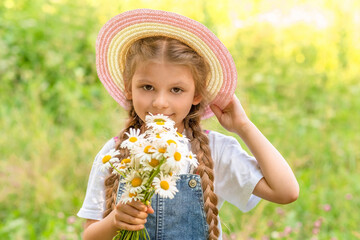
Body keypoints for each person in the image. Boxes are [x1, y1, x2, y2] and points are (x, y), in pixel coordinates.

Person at [77, 9, 299, 240]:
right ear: (128, 88)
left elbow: (286, 192)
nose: (160, 102)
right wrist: (114, 221)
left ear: (196, 95)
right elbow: (90, 236)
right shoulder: (114, 154)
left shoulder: (214, 151)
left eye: (176, 90)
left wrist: (243, 126)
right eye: (147, 87)